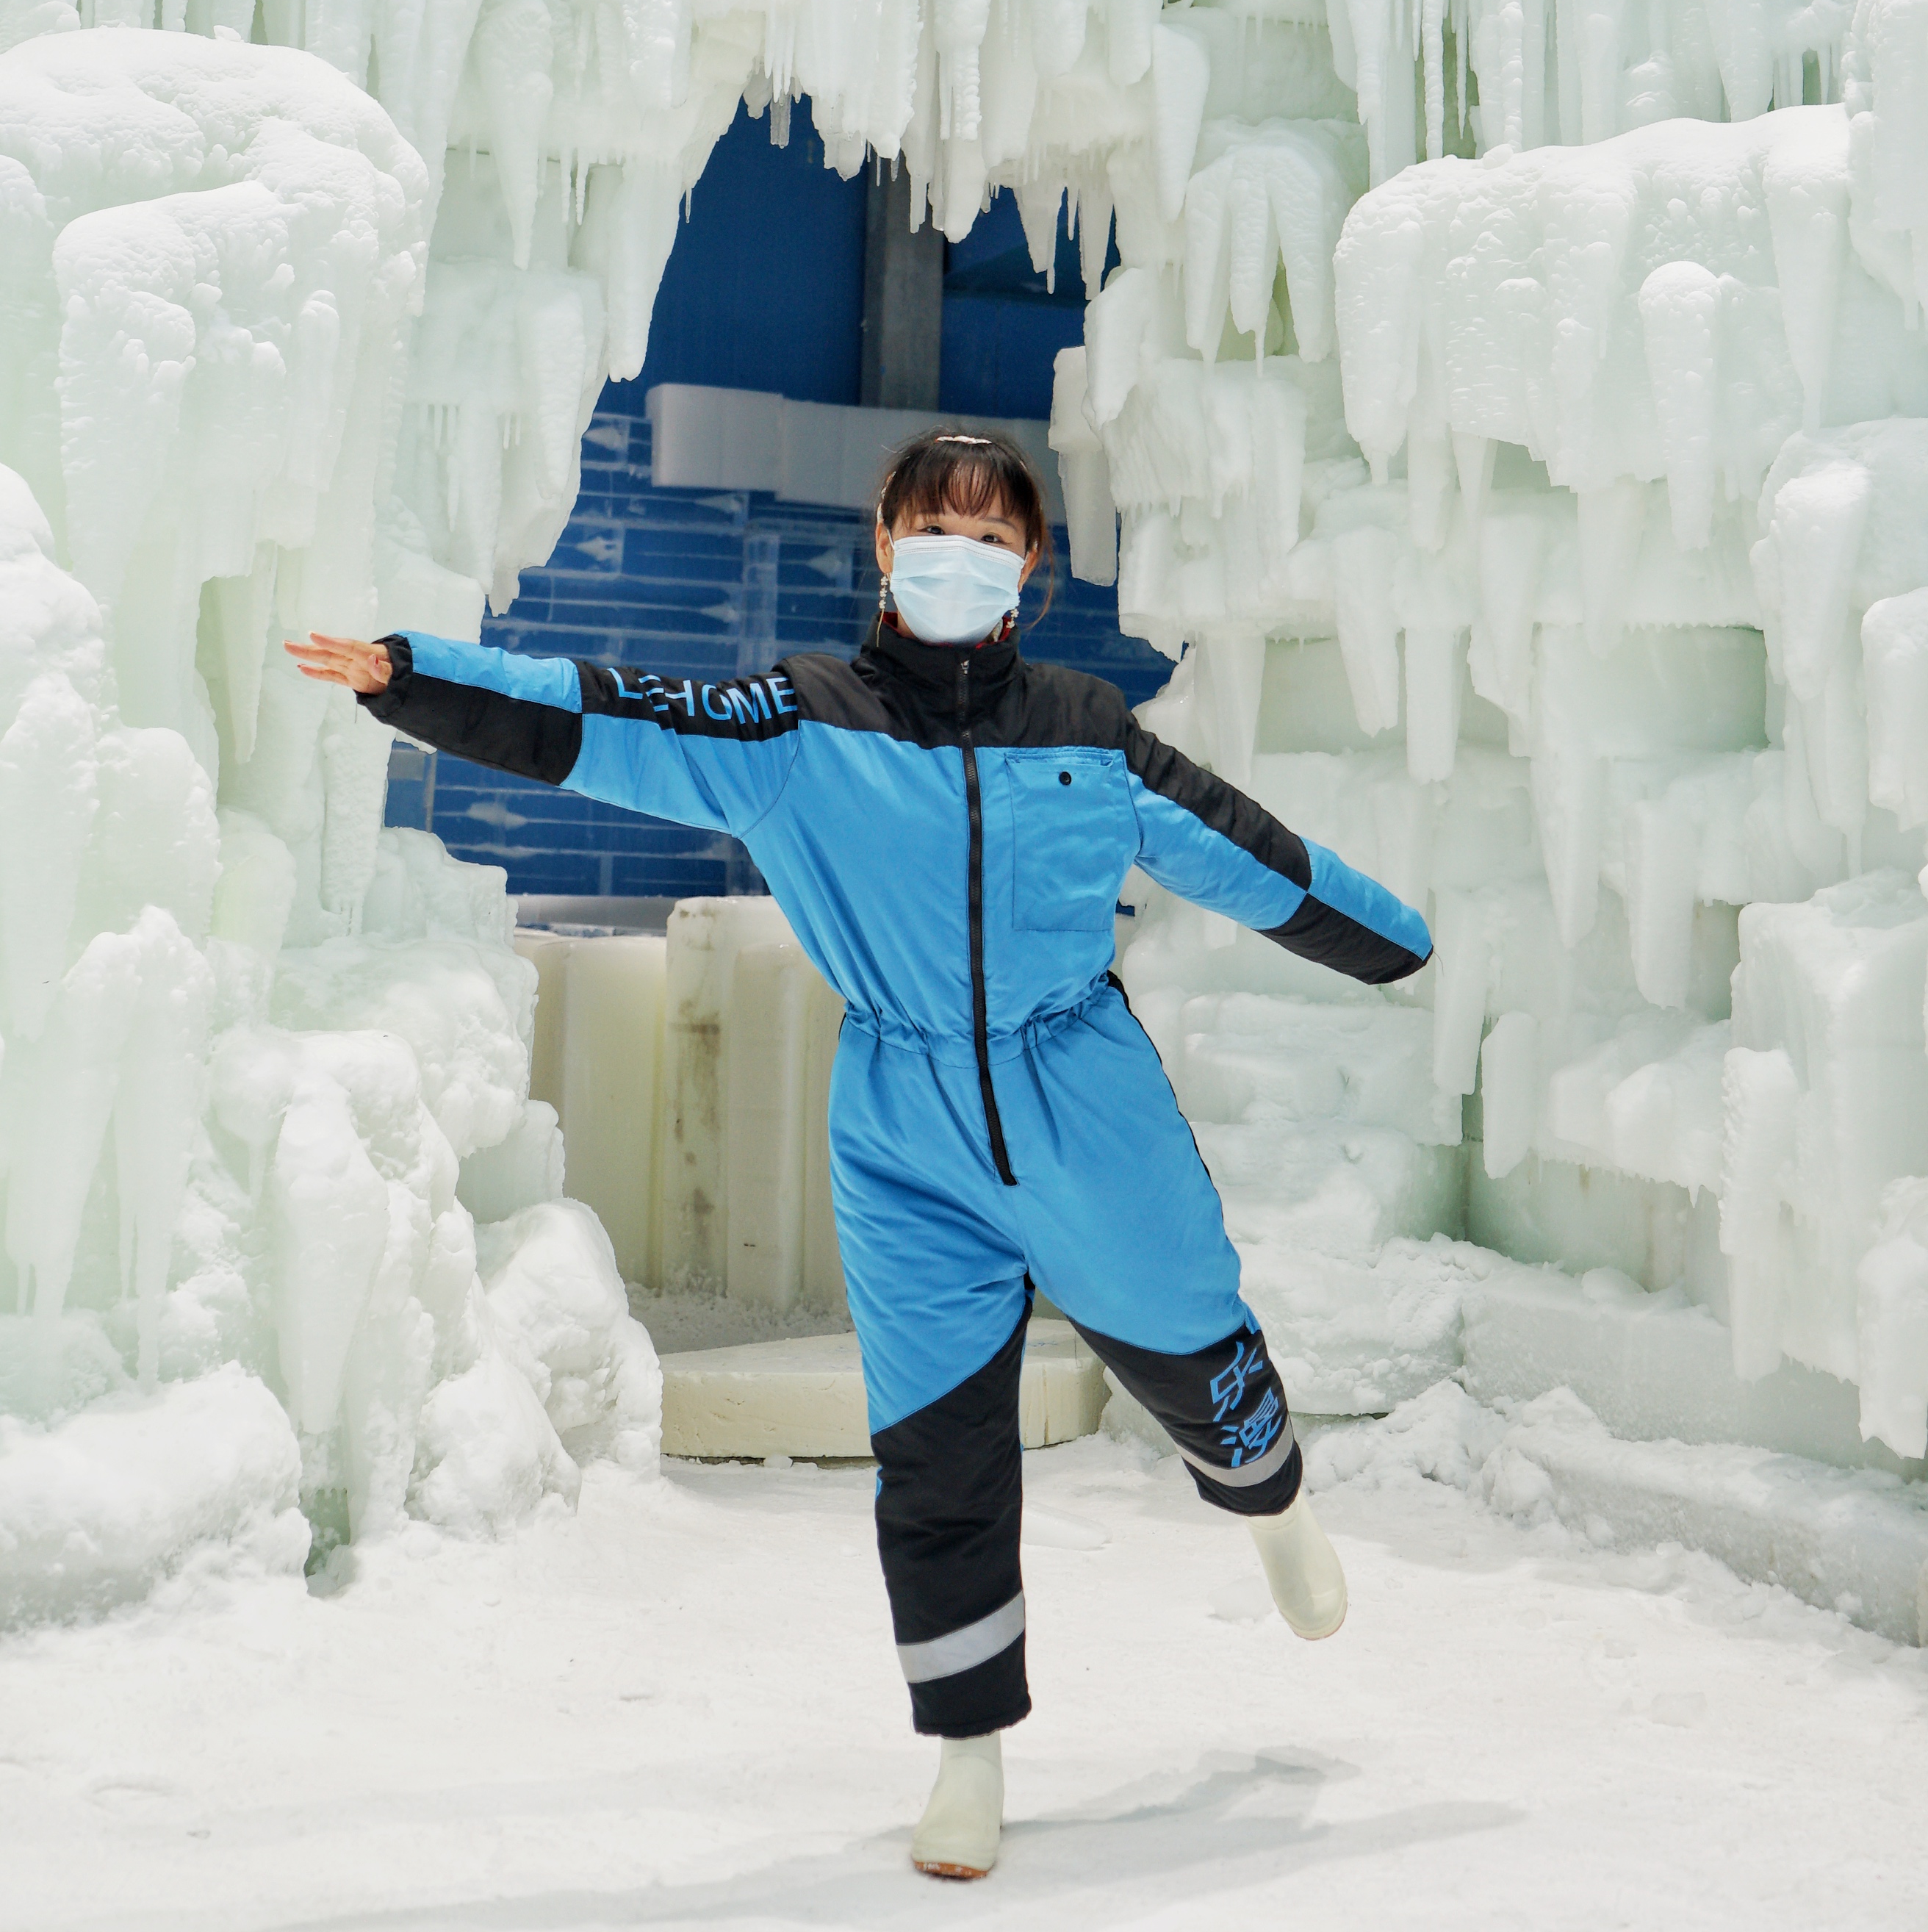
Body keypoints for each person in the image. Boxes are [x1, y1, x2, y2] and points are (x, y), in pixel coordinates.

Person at [289, 426, 1430, 1881]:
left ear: (1030, 567)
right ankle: (966, 1755)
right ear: (884, 545)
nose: (958, 550)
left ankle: (1271, 1507)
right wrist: (422, 679)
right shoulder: (797, 724)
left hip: (1084, 1097)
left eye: (989, 531)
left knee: (1192, 1342)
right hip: (901, 1128)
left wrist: (1397, 946)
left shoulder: (1085, 725)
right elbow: (617, 714)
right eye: (931, 524)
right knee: (934, 1449)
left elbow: (1240, 850)